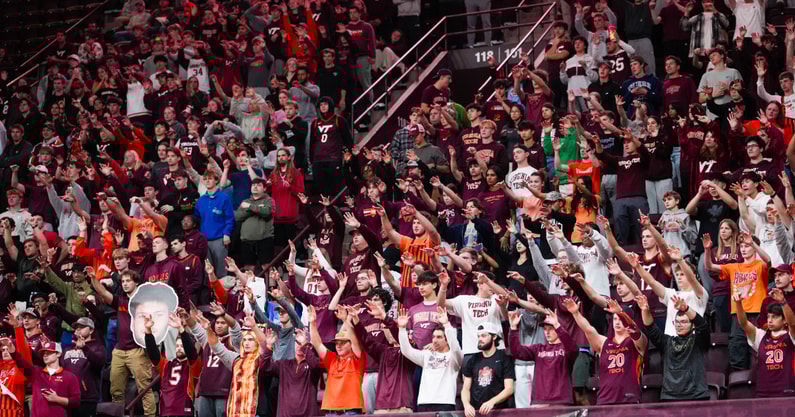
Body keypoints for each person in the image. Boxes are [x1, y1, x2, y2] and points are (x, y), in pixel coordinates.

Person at [90, 271, 156, 417]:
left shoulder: (145, 302)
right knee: (116, 391)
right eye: (123, 281)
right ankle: (117, 415)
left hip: (138, 350)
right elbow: (103, 292)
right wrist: (93, 278)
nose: (125, 284)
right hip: (119, 350)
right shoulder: (120, 300)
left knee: (145, 389)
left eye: (128, 281)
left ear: (136, 282)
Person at [566, 298, 647, 404]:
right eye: (615, 319)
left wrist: (620, 313)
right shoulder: (603, 342)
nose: (617, 322)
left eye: (620, 319)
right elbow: (588, 329)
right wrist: (575, 313)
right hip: (605, 400)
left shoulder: (637, 342)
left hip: (629, 400)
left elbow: (634, 330)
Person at [639, 292, 710, 401]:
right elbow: (650, 328)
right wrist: (645, 310)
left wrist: (686, 308)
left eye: (684, 322)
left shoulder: (699, 340)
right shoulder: (666, 341)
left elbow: (703, 325)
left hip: (696, 395)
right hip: (670, 396)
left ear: (692, 325)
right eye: (677, 322)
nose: (679, 325)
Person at [397, 306, 462, 412]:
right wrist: (402, 329)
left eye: (439, 337)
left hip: (445, 403)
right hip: (424, 403)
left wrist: (447, 325)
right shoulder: (426, 355)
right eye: (433, 337)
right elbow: (406, 351)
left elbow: (455, 347)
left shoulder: (454, 357)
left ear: (447, 340)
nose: (434, 340)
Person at [735, 289, 795, 398]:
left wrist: (783, 302)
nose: (770, 320)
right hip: (763, 392)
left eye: (774, 317)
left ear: (784, 320)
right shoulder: (761, 336)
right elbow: (744, 323)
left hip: (786, 392)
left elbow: (792, 323)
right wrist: (738, 304)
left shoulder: (791, 336)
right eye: (768, 317)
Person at [307, 305, 366, 414]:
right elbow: (317, 344)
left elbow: (355, 341)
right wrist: (313, 323)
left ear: (351, 345)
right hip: (331, 412)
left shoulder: (357, 359)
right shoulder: (332, 360)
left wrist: (345, 320)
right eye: (337, 343)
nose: (338, 346)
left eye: (343, 343)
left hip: (351, 411)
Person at [144, 310, 199, 417]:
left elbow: (191, 352)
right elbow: (153, 354)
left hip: (183, 412)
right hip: (165, 412)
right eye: (177, 346)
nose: (179, 348)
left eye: (182, 346)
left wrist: (181, 329)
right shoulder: (166, 365)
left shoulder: (193, 365)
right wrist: (148, 331)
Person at [10, 338, 80, 417]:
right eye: (43, 353)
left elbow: (76, 401)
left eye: (49, 352)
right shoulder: (36, 372)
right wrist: (12, 350)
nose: (45, 355)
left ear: (58, 354)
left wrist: (57, 399)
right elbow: (20, 362)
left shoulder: (70, 376)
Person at [461, 322, 515, 416]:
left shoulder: (504, 358)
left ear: (494, 337)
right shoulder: (473, 360)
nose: (480, 339)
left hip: (499, 411)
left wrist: (491, 402)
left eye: (483, 336)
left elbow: (509, 388)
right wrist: (466, 405)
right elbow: (465, 388)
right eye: (478, 336)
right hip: (477, 412)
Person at [194, 170, 235, 278]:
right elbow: (196, 220)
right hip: (204, 240)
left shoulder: (224, 197)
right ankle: (210, 289)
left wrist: (227, 233)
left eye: (210, 179)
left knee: (222, 271)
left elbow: (230, 218)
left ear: (216, 180)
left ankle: (223, 289)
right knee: (208, 272)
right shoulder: (200, 200)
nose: (207, 181)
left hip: (220, 239)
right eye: (205, 179)